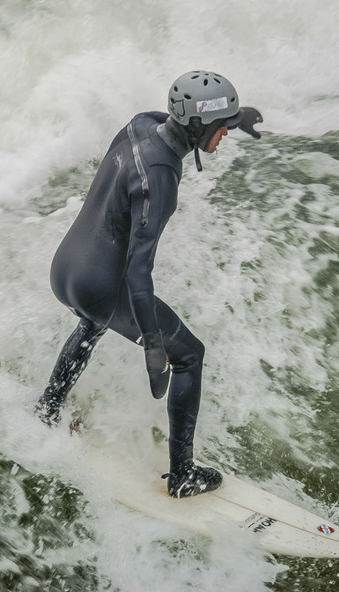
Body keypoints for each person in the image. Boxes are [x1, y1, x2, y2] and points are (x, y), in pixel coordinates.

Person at [36, 70, 263, 498]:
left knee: (92, 324)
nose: (226, 136)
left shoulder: (141, 123)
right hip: (101, 286)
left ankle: (47, 408)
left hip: (67, 270)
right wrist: (155, 347)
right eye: (223, 129)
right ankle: (183, 476)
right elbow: (139, 274)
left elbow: (177, 120)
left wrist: (236, 115)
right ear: (199, 125)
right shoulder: (161, 177)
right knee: (190, 355)